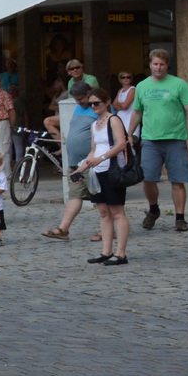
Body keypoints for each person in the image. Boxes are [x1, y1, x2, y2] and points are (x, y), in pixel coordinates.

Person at [130, 48, 188, 233]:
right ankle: (153, 209)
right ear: (150, 64)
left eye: (162, 64)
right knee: (148, 178)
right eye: (155, 64)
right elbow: (137, 111)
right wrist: (129, 133)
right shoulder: (142, 86)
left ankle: (180, 218)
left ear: (167, 65)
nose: (158, 67)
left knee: (178, 180)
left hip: (175, 138)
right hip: (150, 139)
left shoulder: (179, 84)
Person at [77, 90, 133, 265]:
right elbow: (93, 149)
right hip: (97, 171)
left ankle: (121, 253)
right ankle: (106, 251)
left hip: (112, 170)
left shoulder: (113, 120)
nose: (93, 106)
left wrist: (101, 158)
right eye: (90, 103)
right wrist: (82, 167)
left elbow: (121, 143)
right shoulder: (95, 124)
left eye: (96, 103)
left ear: (107, 102)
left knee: (117, 212)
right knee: (103, 212)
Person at [40, 78, 99, 241]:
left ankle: (107, 230)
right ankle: (63, 229)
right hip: (75, 162)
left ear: (89, 94)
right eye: (76, 99)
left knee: (101, 199)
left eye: (81, 99)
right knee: (75, 196)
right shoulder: (79, 108)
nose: (78, 102)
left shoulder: (97, 108)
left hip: (90, 162)